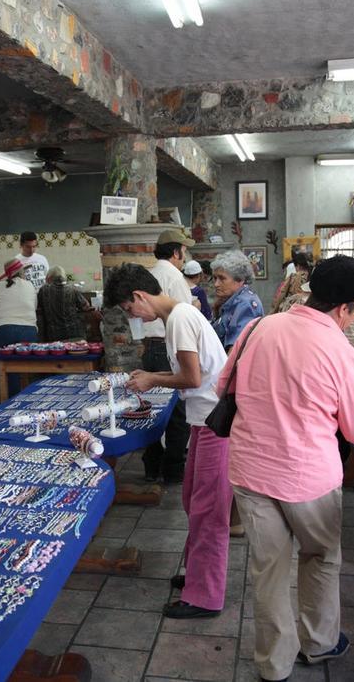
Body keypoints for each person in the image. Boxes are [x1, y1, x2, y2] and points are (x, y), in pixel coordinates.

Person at [220, 255, 354, 681]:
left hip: (250, 471)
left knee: (268, 570)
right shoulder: (342, 353)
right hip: (307, 479)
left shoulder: (258, 327)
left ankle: (273, 665)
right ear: (345, 308)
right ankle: (319, 644)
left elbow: (222, 386)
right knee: (319, 558)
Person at [106, 263, 230, 619]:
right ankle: (197, 576)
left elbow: (191, 378)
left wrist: (151, 381)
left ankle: (205, 596)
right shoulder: (181, 314)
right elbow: (194, 374)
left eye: (130, 310)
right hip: (205, 421)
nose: (135, 317)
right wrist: (152, 375)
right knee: (194, 500)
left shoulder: (178, 320)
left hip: (214, 424)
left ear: (138, 296)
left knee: (208, 513)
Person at [142, 229, 195, 484]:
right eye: (183, 251)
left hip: (148, 346)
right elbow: (185, 316)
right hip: (168, 346)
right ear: (176, 251)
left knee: (151, 408)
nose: (184, 257)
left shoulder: (149, 275)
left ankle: (151, 466)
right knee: (177, 410)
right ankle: (173, 470)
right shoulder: (175, 277)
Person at [211, 250, 263, 351]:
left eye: (222, 279)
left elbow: (235, 351)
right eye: (215, 278)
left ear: (239, 279)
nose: (216, 284)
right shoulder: (232, 300)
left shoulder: (244, 304)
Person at [0, 258, 38, 350]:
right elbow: (35, 306)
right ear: (21, 272)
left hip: (4, 331)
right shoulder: (30, 285)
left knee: (4, 362)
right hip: (29, 332)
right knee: (27, 363)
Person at [38, 266, 95, 341]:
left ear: (49, 278)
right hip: (75, 333)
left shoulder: (44, 290)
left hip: (54, 335)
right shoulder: (73, 289)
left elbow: (39, 306)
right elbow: (86, 306)